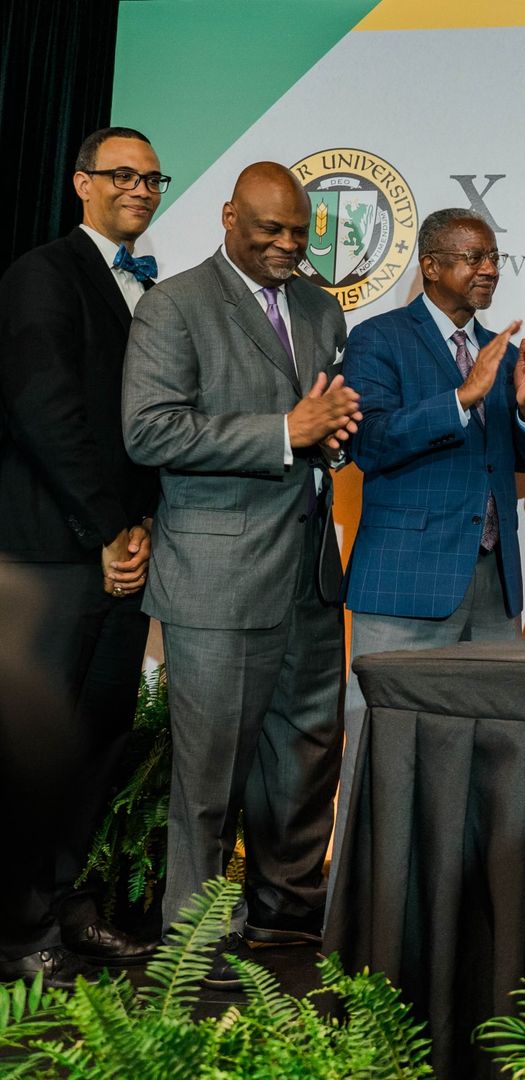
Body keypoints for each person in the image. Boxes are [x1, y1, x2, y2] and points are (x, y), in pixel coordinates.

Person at [121, 162, 359, 984]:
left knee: (304, 759)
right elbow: (150, 431)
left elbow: (324, 415)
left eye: (299, 231)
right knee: (209, 777)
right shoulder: (175, 304)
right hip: (218, 576)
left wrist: (333, 434)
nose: (290, 245)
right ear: (228, 218)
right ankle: (193, 950)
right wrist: (284, 432)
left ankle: (284, 921)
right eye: (271, 230)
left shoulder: (323, 309)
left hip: (307, 572)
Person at [336, 208, 525, 877]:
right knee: (386, 753)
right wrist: (461, 398)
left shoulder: (506, 350)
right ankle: (366, 910)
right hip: (405, 585)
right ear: (430, 265)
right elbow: (366, 444)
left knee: (489, 761)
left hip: (492, 588)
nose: (486, 269)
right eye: (470, 257)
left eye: (492, 257)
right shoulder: (379, 339)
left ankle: (464, 908)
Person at [0, 127, 165, 983]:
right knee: (32, 749)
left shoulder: (149, 287)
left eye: (152, 177)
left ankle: (66, 912)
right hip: (54, 555)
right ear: (81, 183)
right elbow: (46, 412)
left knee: (96, 743)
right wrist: (107, 529)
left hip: (126, 550)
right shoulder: (42, 274)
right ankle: (14, 931)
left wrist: (139, 529)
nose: (141, 188)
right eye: (123, 175)